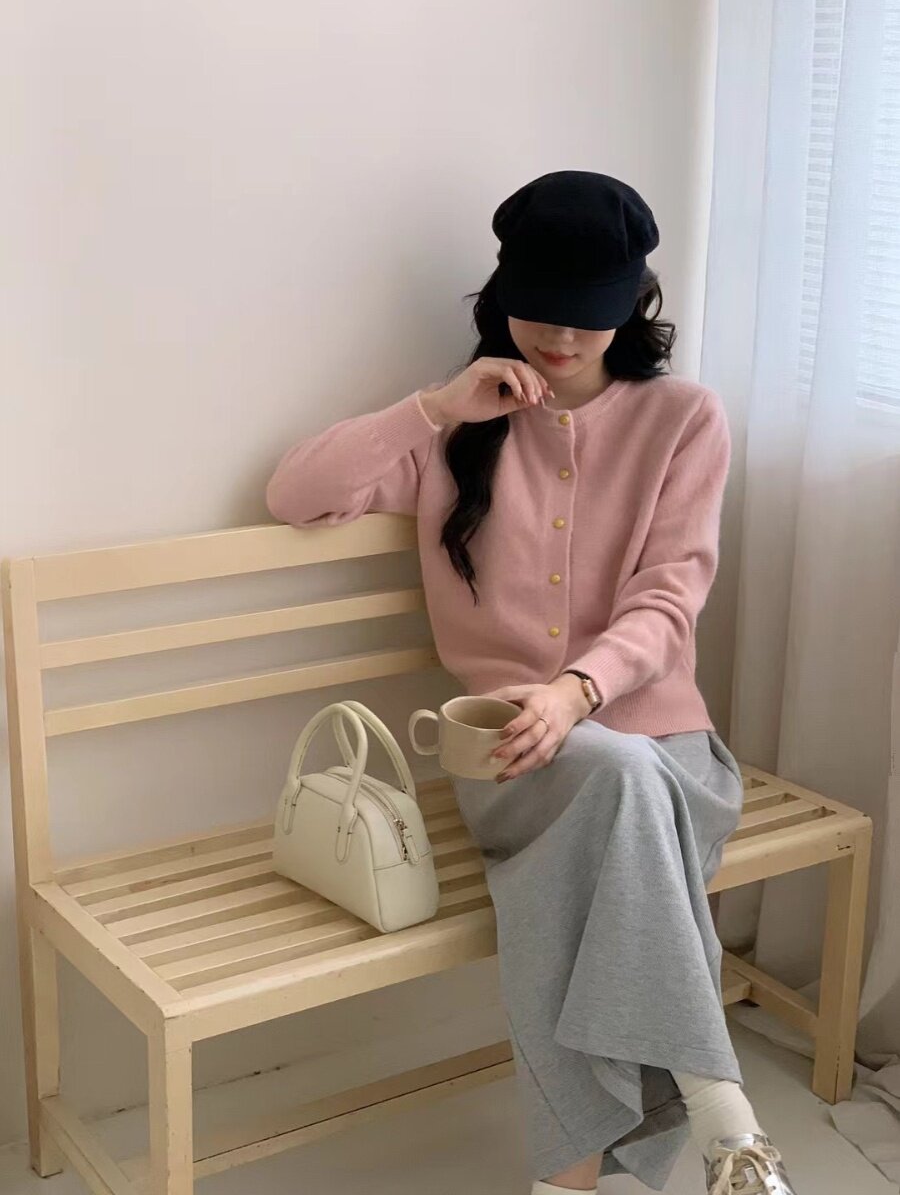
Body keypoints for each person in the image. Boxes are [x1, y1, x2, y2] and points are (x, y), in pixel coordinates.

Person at [265, 171, 798, 1195]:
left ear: (634, 303)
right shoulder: (457, 427)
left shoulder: (684, 419)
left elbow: (671, 597)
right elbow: (296, 494)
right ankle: (724, 1120)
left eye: (588, 315)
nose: (561, 337)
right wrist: (434, 407)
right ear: (503, 292)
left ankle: (573, 1182)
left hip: (667, 754)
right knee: (611, 793)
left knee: (608, 814)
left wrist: (576, 693)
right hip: (508, 758)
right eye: (543, 309)